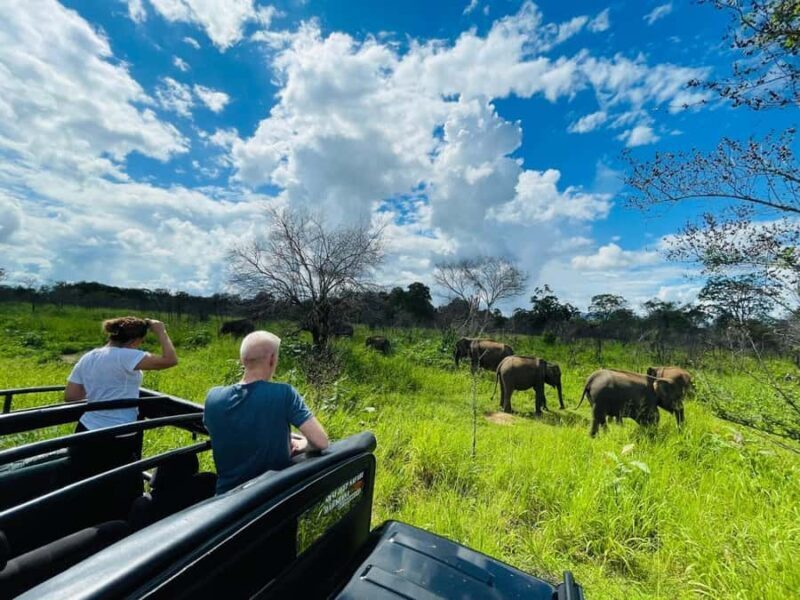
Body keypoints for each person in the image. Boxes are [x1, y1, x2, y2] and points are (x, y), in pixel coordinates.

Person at [204, 330, 329, 495]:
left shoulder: (212, 397)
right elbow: (321, 441)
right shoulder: (284, 394)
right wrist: (303, 445)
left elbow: (226, 432)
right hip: (269, 501)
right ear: (272, 359)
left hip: (226, 502)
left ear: (243, 360)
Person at [65, 316, 178, 431]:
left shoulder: (88, 357)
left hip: (86, 427)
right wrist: (161, 331)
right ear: (135, 340)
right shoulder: (126, 356)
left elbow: (71, 396)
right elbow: (170, 360)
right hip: (119, 428)